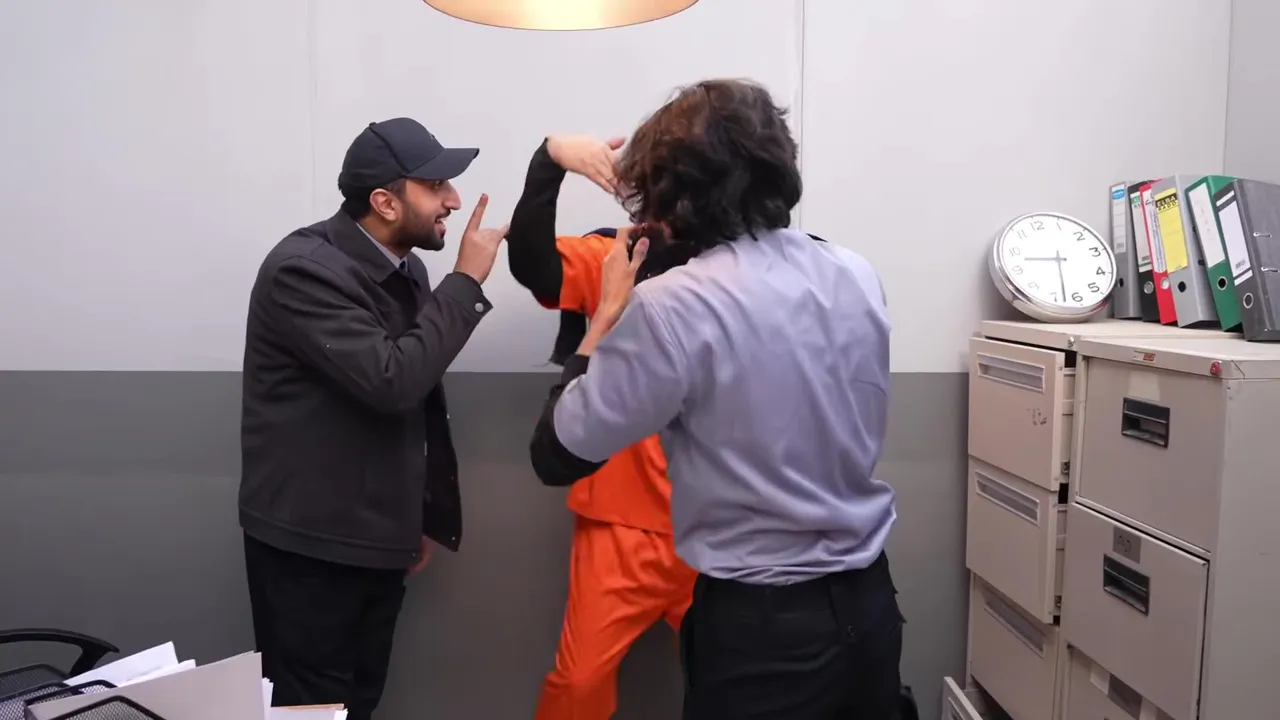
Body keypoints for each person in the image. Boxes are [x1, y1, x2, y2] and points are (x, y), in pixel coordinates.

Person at [528, 80, 904, 719]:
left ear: (672, 191)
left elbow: (558, 453)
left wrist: (604, 320)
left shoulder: (675, 304)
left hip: (761, 625)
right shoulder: (853, 271)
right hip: (868, 605)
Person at [238, 117, 507, 720]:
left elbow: (416, 398)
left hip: (376, 537)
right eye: (435, 186)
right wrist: (466, 281)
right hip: (312, 548)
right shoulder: (303, 269)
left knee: (359, 700)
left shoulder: (406, 268)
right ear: (385, 202)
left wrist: (415, 514)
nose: (453, 200)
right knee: (310, 709)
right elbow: (394, 381)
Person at [506, 135, 697, 720]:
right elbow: (533, 265)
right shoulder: (618, 256)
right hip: (621, 524)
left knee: (744, 682)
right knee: (579, 683)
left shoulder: (743, 269)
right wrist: (549, 161)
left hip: (717, 519)